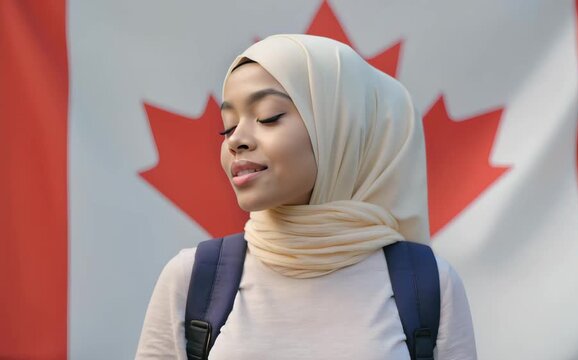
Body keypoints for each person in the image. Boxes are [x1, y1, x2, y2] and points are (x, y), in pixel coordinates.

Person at [136, 34, 477, 360]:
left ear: (341, 126)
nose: (235, 139)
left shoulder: (430, 285)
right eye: (228, 125)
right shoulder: (192, 277)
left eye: (268, 116)